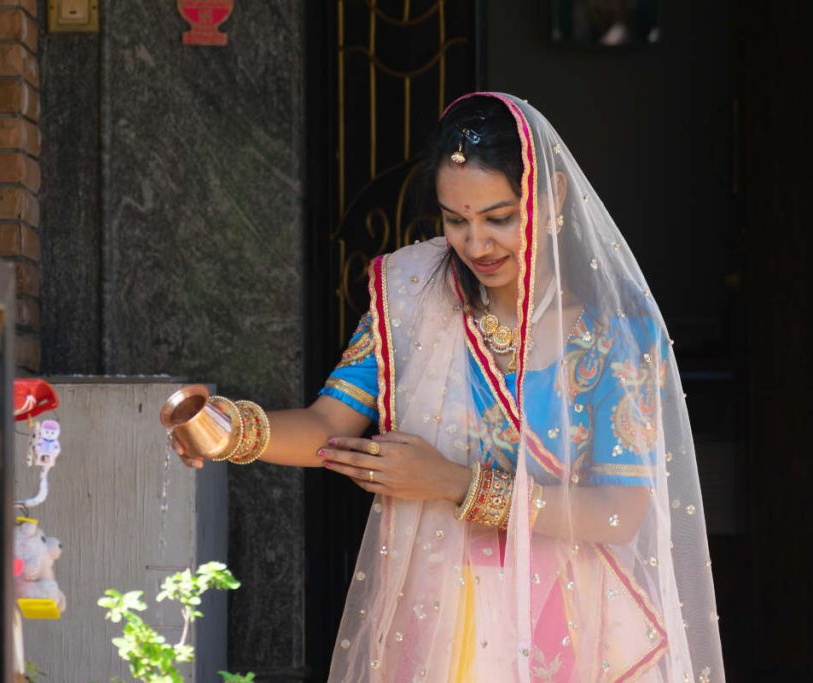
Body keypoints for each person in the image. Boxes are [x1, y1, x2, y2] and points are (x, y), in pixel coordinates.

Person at [171, 92, 724, 682]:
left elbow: (620, 514)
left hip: (572, 624)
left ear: (551, 197)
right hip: (440, 614)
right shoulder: (416, 301)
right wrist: (229, 431)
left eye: (499, 217)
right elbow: (329, 427)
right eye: (455, 220)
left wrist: (455, 482)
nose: (476, 245)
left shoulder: (615, 340)